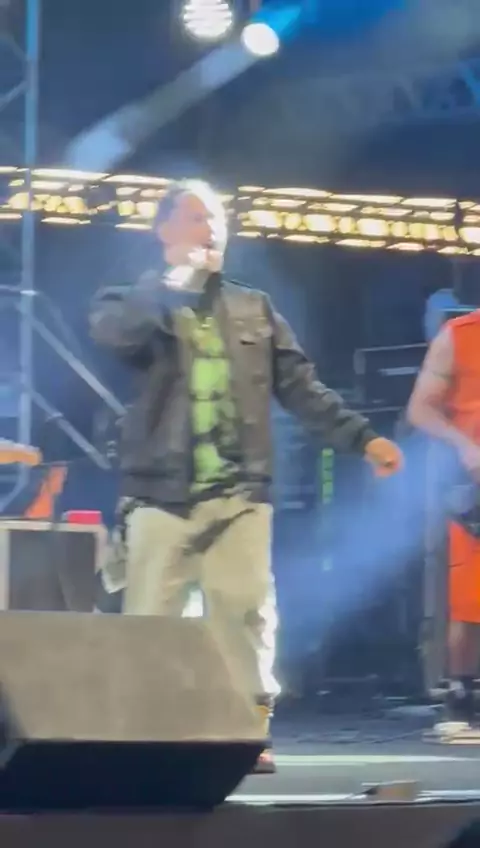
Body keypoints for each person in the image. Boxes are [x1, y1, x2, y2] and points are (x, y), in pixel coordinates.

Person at [90, 179, 403, 772]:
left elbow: (301, 387)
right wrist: (174, 283)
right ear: (163, 230)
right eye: (196, 217)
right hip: (161, 489)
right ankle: (146, 734)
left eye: (217, 218)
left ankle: (244, 733)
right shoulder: (133, 300)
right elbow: (116, 336)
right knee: (151, 619)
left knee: (245, 612)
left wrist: (363, 438)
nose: (211, 228)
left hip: (241, 489)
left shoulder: (253, 307)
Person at [408, 310, 480, 736]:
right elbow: (420, 408)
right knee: (469, 600)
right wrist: (464, 444)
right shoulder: (460, 335)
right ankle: (460, 698)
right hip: (473, 485)